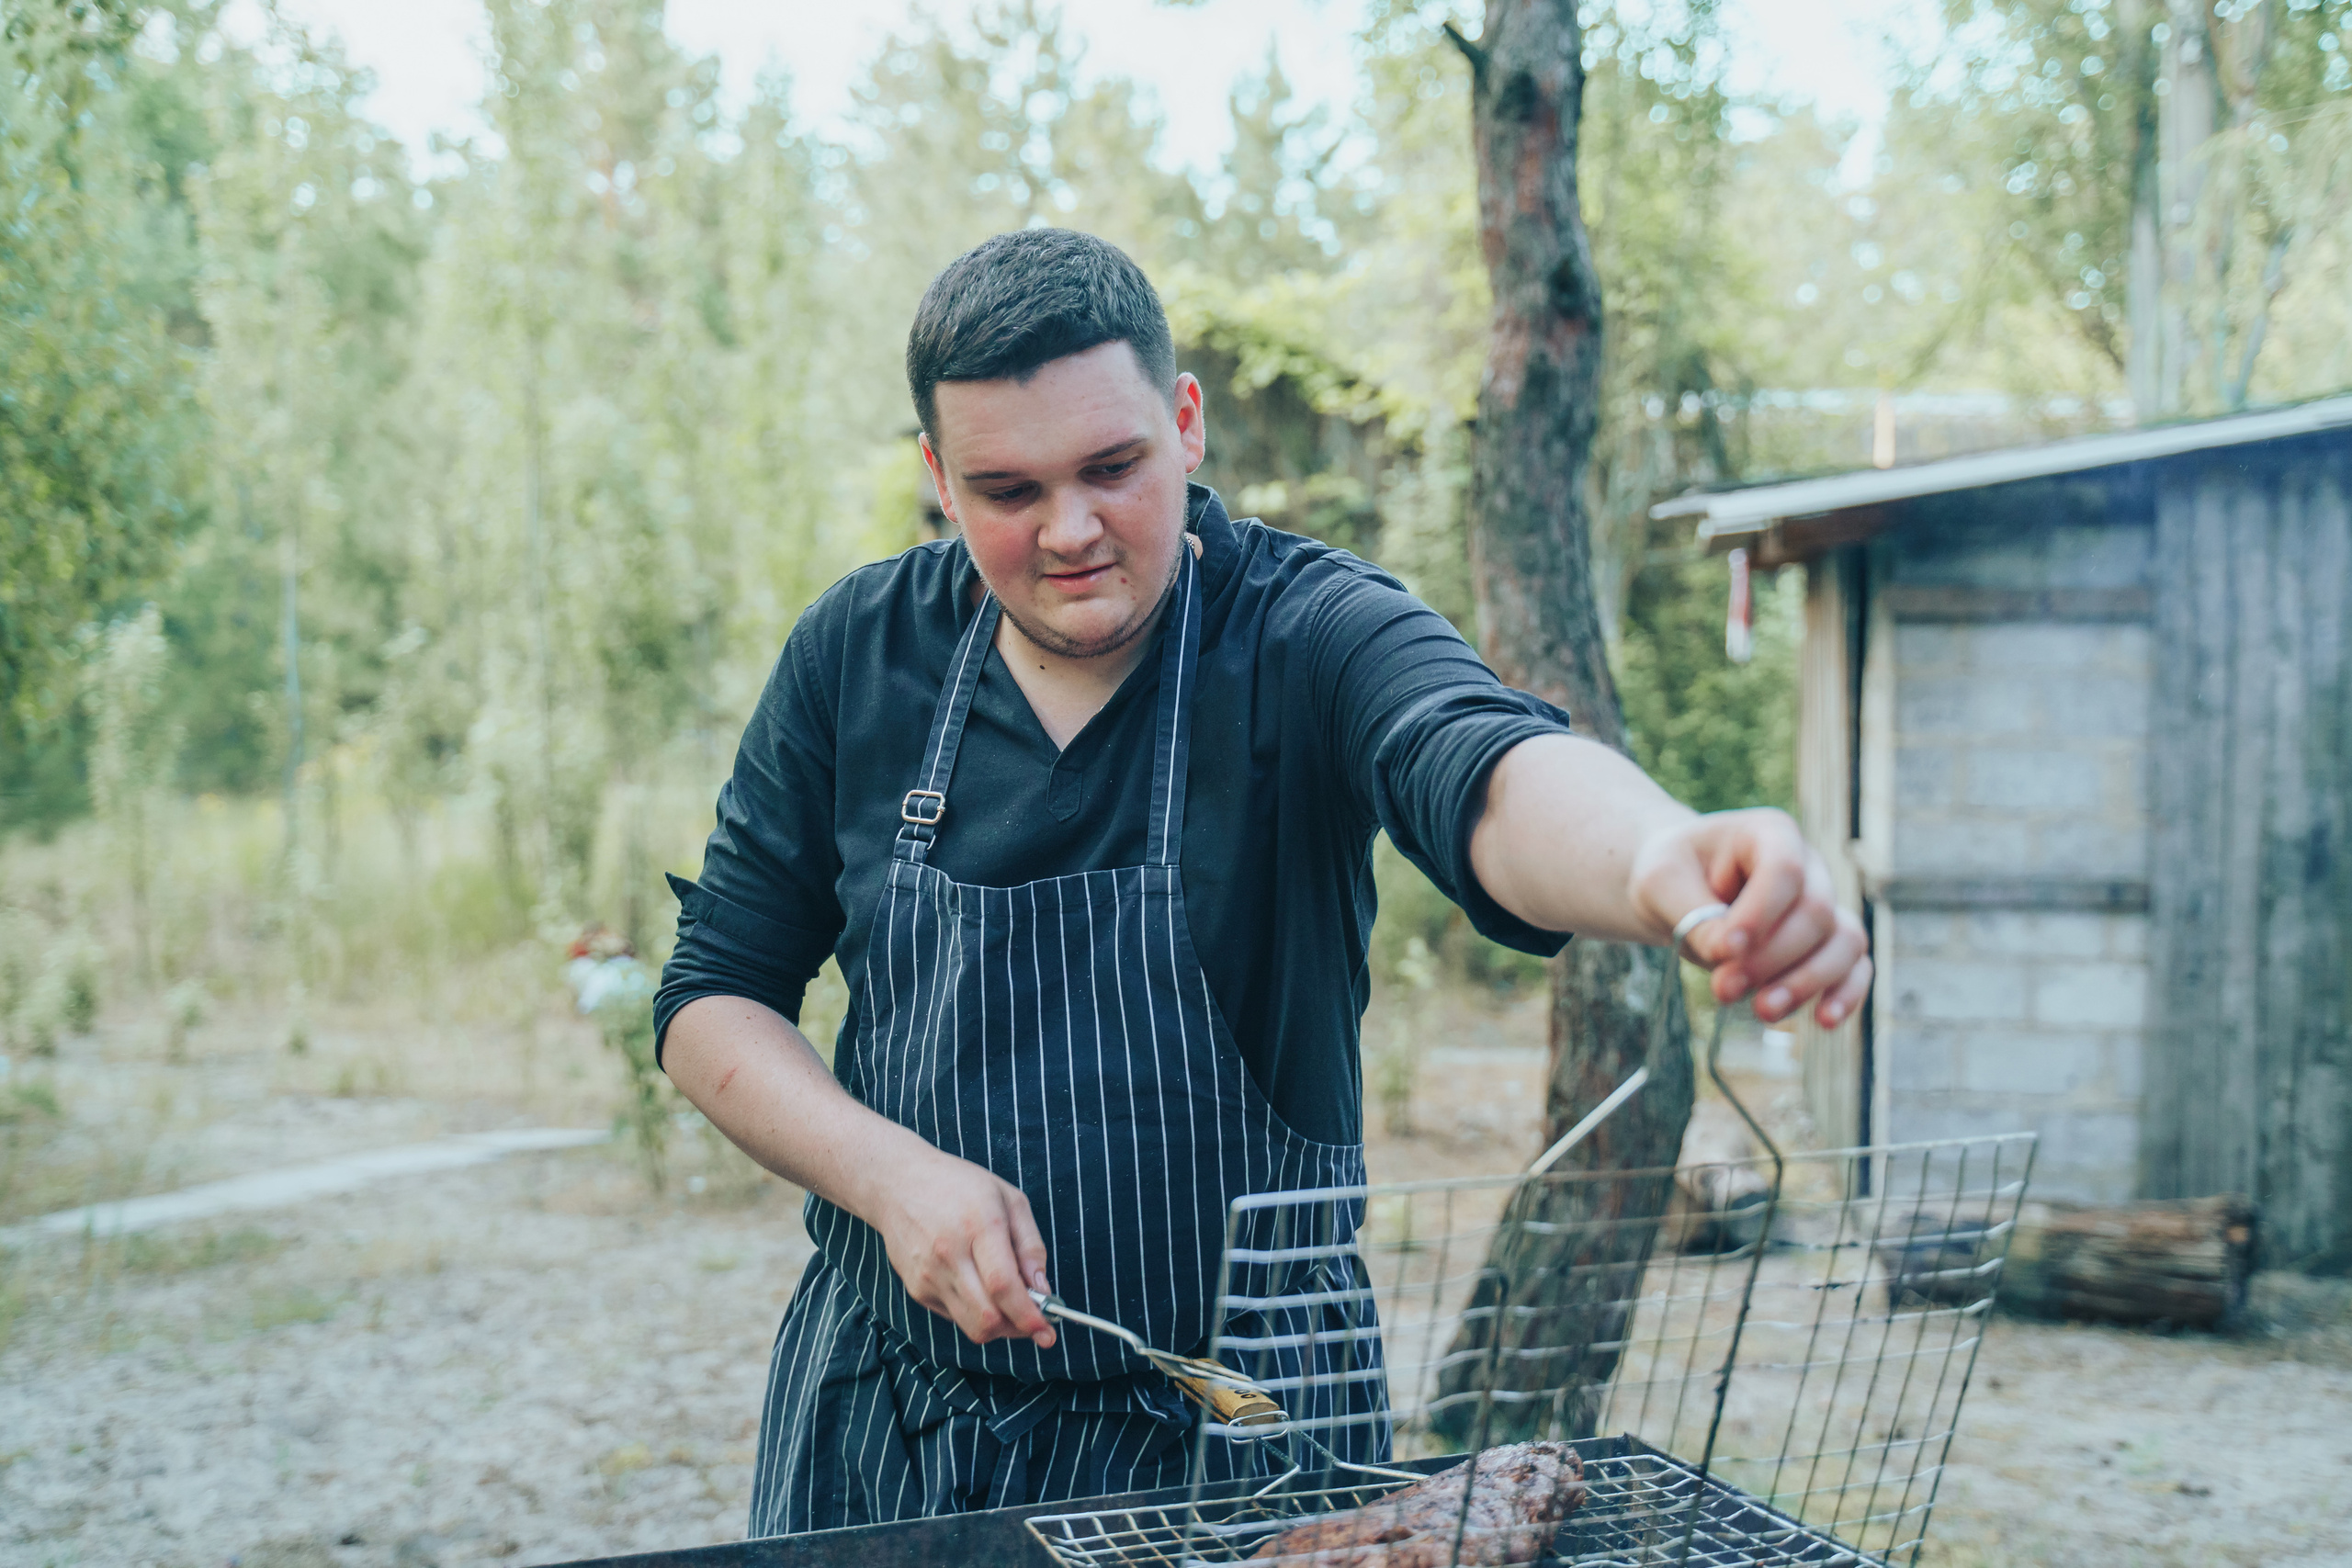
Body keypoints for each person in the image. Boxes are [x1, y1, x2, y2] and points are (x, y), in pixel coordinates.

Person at [654, 229, 1871, 1537]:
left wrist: (1656, 853)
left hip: (1243, 1450)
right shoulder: (859, 652)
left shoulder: (1307, 632)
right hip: (891, 1428)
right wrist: (887, 1178)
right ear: (938, 479)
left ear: (1183, 425)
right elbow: (712, 995)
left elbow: (1484, 763)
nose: (1072, 532)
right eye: (1009, 490)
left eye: (1113, 468)